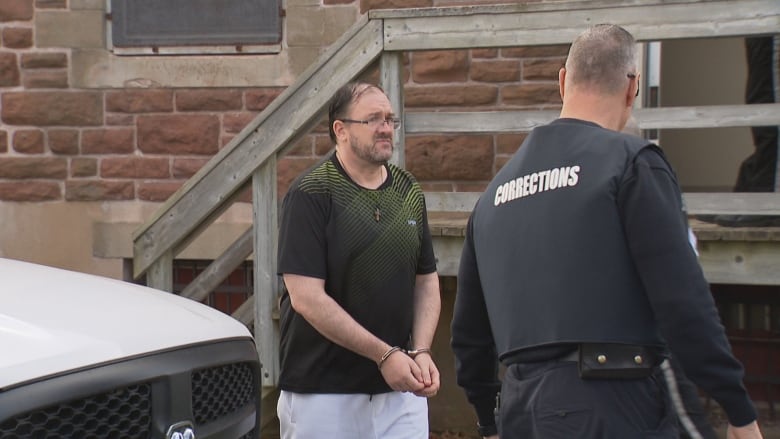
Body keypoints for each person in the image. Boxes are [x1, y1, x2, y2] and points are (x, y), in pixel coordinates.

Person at [451, 24, 763, 439]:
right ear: (633, 87)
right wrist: (738, 412)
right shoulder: (631, 164)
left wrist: (488, 419)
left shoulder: (493, 196)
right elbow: (684, 302)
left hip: (521, 409)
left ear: (563, 81)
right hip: (615, 403)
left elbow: (469, 333)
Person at [276, 81, 441, 438]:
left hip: (400, 393)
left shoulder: (407, 189)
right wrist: (384, 355)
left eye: (390, 119)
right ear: (341, 130)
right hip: (324, 394)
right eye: (373, 119)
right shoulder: (311, 194)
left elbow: (426, 279)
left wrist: (422, 350)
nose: (385, 127)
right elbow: (306, 298)